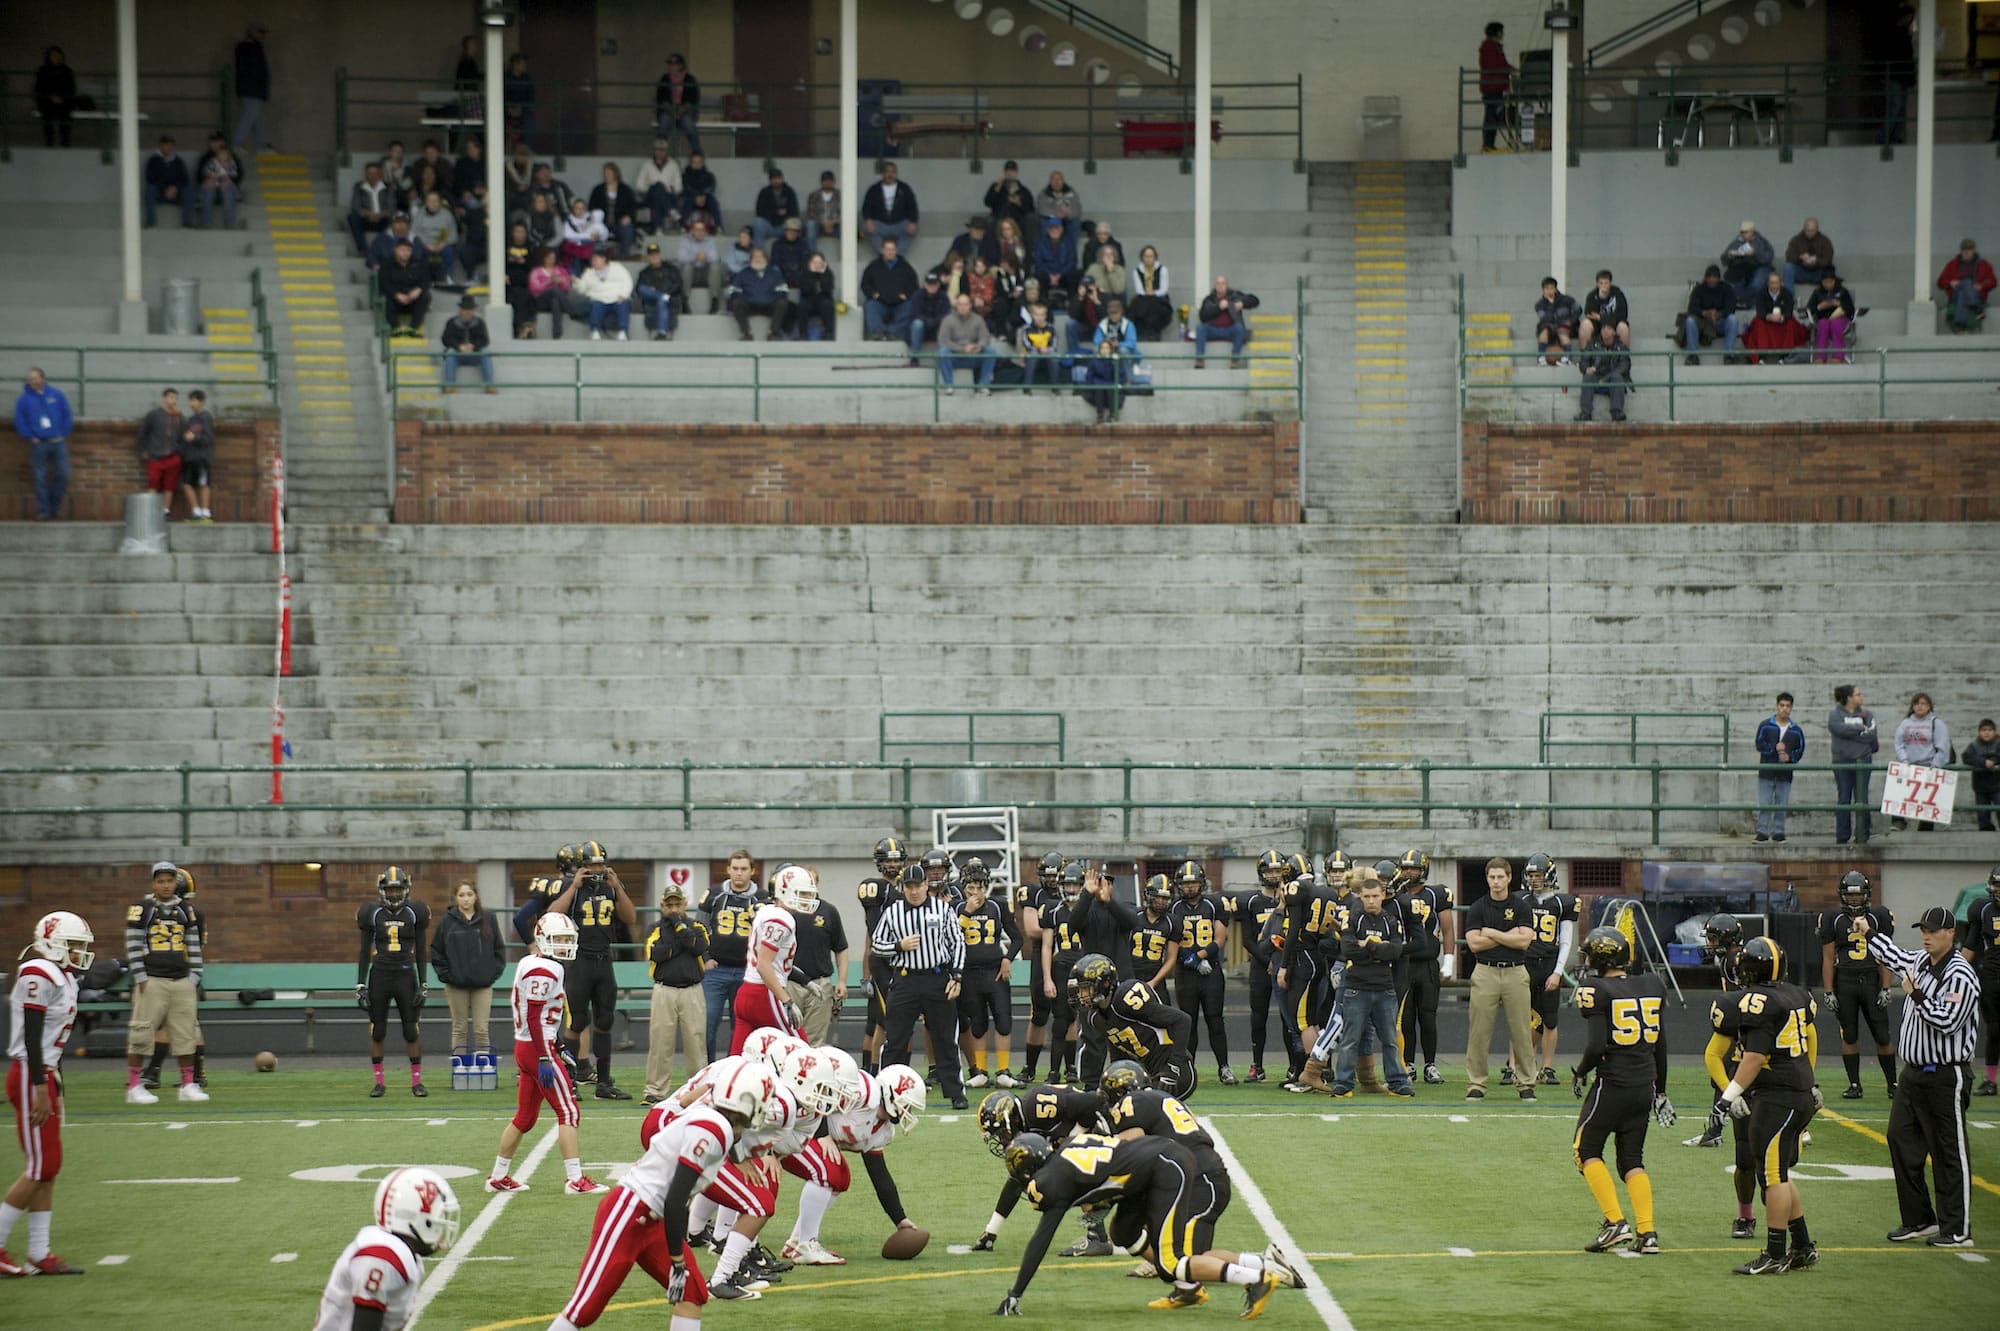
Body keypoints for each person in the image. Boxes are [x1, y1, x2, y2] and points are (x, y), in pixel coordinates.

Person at [993, 1130, 1302, 1319]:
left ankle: (1255, 1278)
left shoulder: (1050, 1181)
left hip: (1165, 1168)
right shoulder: (1069, 1148)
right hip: (1152, 1163)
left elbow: (1041, 1239)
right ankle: (1192, 1289)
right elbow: (1107, 1174)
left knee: (1171, 1262)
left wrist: (1015, 1292)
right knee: (1123, 1232)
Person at [1854, 905, 1981, 1247]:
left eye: (1933, 930)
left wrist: (1916, 995)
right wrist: (1868, 932)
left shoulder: (1961, 975)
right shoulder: (1920, 962)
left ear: (1951, 934)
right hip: (1912, 1075)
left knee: (1948, 1152)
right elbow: (1893, 954)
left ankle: (1957, 1228)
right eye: (1923, 929)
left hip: (1946, 1074)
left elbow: (1947, 1021)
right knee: (1899, 1139)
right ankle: (1919, 1219)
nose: (1926, 935)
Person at [1712, 937, 1822, 1276]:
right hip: (1798, 1092)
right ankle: (1802, 1246)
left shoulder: (1758, 1001)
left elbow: (1755, 1057)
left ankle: (1776, 1253)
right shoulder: (1796, 994)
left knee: (1771, 1176)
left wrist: (1727, 1097)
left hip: (1779, 1097)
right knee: (1780, 1174)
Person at [1568, 927, 1674, 1255]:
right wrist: (1661, 1090)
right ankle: (1648, 1232)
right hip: (1644, 1085)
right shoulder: (1652, 984)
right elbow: (1660, 1043)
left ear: (1601, 959)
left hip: (1613, 1083)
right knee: (1632, 1160)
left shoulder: (1595, 988)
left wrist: (1581, 1072)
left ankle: (1615, 1222)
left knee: (1585, 1150)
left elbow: (1597, 1044)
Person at [486, 911, 607, 1196]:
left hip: (527, 1046)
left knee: (525, 1117)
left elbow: (537, 1016)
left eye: (568, 939)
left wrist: (558, 1045)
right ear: (542, 939)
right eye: (559, 939)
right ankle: (575, 1180)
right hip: (536, 1047)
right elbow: (534, 1017)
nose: (565, 944)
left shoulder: (531, 962)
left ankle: (498, 1176)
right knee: (568, 1111)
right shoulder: (547, 969)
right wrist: (545, 1054)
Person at [1, 910, 93, 1276]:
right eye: (72, 944)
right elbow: (31, 1036)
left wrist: (55, 1080)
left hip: (43, 1074)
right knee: (40, 1166)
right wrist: (40, 1084)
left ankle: (39, 1252)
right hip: (30, 1074)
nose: (78, 952)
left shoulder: (65, 976)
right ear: (52, 942)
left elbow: (53, 1041)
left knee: (49, 1167)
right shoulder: (38, 971)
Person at [541, 841, 638, 1097]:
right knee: (577, 1021)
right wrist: (574, 886)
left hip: (604, 959)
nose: (596, 869)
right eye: (591, 864)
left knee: (605, 1021)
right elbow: (551, 915)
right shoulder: (570, 886)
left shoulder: (611, 885)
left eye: (599, 864)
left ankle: (604, 1083)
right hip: (579, 960)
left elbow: (630, 917)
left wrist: (617, 887)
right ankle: (569, 1081)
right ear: (581, 866)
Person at [312, 1168, 461, 1329]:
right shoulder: (383, 1255)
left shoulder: (401, 1255)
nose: (442, 1225)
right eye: (438, 1218)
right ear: (417, 1218)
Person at [872, 862, 968, 1108]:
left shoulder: (942, 909)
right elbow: (877, 945)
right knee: (896, 1038)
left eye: (918, 886)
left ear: (927, 885)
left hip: (937, 978)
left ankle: (956, 1092)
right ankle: (887, 1089)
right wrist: (898, 946)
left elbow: (957, 942)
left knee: (945, 1038)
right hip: (905, 979)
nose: (914, 891)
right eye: (909, 887)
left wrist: (956, 976)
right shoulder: (892, 912)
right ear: (903, 888)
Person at [122, 862, 205, 1104]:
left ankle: (188, 1084)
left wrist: (194, 976)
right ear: (153, 883)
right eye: (161, 881)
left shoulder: (185, 910)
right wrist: (141, 978)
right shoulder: (142, 909)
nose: (166, 885)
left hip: (181, 980)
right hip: (153, 979)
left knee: (185, 1033)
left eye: (170, 881)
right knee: (141, 1032)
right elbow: (133, 945)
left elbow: (194, 945)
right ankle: (135, 1086)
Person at [1327, 873, 1413, 1098]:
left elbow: (1396, 951)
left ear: (1383, 895)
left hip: (1385, 988)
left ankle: (1397, 1082)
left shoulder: (1391, 920)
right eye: (1366, 896)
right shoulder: (1353, 918)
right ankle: (1343, 1083)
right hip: (1357, 988)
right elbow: (1348, 950)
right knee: (1350, 1039)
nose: (1371, 900)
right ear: (1360, 897)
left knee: (1390, 1039)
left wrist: (1368, 945)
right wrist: (1378, 950)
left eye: (1375, 896)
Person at [1463, 857, 1539, 1102]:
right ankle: (1476, 1083)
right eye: (1491, 877)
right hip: (1485, 971)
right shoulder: (1478, 907)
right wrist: (1510, 935)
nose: (1496, 882)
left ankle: (1526, 1082)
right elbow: (1474, 943)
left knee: (1521, 1030)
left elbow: (1525, 940)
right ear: (1487, 879)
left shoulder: (1521, 906)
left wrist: (1493, 933)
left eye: (1500, 877)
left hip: (1516, 971)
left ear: (1509, 878)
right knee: (1479, 1031)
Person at [1820, 870, 1898, 1104]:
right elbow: (1827, 957)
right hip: (1845, 981)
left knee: (1882, 1035)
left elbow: (1884, 954)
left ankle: (1892, 1083)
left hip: (1871, 979)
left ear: (1866, 895)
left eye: (1858, 895)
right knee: (1849, 1034)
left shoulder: (1878, 916)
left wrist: (1886, 986)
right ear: (1842, 895)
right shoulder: (1833, 917)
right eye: (1850, 895)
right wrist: (1828, 991)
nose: (1854, 899)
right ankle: (1854, 1084)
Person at [358, 867, 431, 1099]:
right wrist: (360, 984)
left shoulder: (414, 912)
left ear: (406, 889)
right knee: (377, 1031)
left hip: (405, 974)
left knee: (411, 1030)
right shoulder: (371, 913)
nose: (393, 894)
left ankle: (416, 1082)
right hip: (380, 973)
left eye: (397, 889)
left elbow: (420, 949)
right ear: (382, 890)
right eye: (389, 890)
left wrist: (423, 983)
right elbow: (363, 950)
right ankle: (379, 1082)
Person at [1163, 862, 1234, 1085]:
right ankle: (1188, 1068)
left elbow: (1220, 939)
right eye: (1186, 883)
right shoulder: (1173, 908)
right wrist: (1189, 959)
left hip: (1210, 971)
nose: (1190, 887)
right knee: (1188, 1021)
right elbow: (1169, 940)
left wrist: (1201, 956)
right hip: (1186, 973)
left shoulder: (1213, 905)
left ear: (1201, 884)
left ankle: (1224, 1067)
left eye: (1193, 883)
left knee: (1215, 1020)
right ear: (1179, 886)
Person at [641, 881, 709, 1104]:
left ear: (685, 905)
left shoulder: (697, 926)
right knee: (660, 1043)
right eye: (669, 905)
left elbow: (699, 947)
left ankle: (697, 1090)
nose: (673, 910)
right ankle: (655, 1090)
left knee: (696, 1042)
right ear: (662, 906)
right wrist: (680, 941)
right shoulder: (655, 929)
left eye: (677, 905)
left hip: (692, 990)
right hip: (664, 990)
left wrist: (679, 930)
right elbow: (655, 953)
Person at [955, 862, 1020, 1088]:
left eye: (980, 888)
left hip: (994, 972)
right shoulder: (957, 908)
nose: (976, 893)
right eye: (972, 888)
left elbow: (1018, 938)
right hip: (970, 973)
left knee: (1003, 1020)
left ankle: (1003, 1071)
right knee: (978, 1023)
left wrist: (1007, 959)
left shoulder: (998, 906)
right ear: (964, 888)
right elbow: (951, 938)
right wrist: (968, 912)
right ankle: (981, 1071)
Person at [430, 882, 504, 1072]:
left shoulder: (489, 918)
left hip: (483, 985)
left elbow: (498, 949)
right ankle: (459, 1069)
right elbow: (437, 951)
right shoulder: (447, 921)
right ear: (456, 898)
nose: (466, 899)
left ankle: (484, 1069)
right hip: (456, 985)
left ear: (476, 896)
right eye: (461, 895)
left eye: (469, 894)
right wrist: (447, 976)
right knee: (459, 1027)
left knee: (481, 1028)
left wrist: (491, 974)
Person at [699, 851, 762, 1061]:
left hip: (747, 972)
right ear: (728, 869)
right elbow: (700, 927)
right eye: (735, 868)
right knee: (707, 1022)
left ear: (752, 871)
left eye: (744, 869)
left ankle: (734, 1070)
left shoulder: (762, 898)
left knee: (742, 1027)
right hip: (716, 970)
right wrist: (706, 957)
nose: (739, 874)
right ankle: (707, 1069)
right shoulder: (713, 895)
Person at [1523, 853, 1578, 1084]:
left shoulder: (1561, 903)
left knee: (1550, 1019)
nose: (1534, 879)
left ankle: (1547, 1067)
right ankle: (1517, 1064)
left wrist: (1557, 972)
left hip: (1548, 964)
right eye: (1531, 875)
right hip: (1526, 964)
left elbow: (1565, 941)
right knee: (1522, 1018)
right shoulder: (1522, 900)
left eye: (1538, 875)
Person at [1392, 850, 1446, 1084]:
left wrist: (1450, 960)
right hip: (1403, 963)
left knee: (1428, 1016)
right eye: (1405, 868)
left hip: (1427, 964)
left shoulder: (1435, 895)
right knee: (1405, 1019)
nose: (1409, 872)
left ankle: (1430, 1064)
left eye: (1414, 868)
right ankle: (1409, 1063)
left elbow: (1448, 928)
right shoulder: (1395, 895)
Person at [13, 368, 72, 522]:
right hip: (39, 444)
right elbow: (20, 420)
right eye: (30, 379)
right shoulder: (24, 400)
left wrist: (64, 431)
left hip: (58, 442)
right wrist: (29, 435)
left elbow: (67, 414)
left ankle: (55, 506)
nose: (32, 381)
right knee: (40, 478)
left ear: (43, 379)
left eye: (35, 378)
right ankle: (44, 511)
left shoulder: (56, 395)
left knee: (64, 474)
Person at [1892, 692, 1952, 831]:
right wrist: (1904, 759)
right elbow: (1898, 743)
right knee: (1898, 794)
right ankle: (1898, 822)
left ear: (1929, 706)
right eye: (1917, 703)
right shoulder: (1905, 723)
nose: (1920, 706)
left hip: (1928, 767)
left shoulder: (1936, 723)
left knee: (1927, 804)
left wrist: (1935, 765)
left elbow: (1942, 746)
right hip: (1910, 767)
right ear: (1912, 706)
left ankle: (1925, 830)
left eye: (1923, 703)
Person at [1963, 869, 2000, 1093]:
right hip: (1990, 976)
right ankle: (1990, 1080)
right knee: (1994, 1030)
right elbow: (1970, 944)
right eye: (1998, 885)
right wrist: (1951, 971)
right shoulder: (1983, 908)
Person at [1827, 683, 1877, 844]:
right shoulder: (1835, 714)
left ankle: (1863, 834)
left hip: (1863, 760)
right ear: (1849, 698)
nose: (1861, 697)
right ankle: (1842, 835)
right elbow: (1837, 729)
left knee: (1861, 798)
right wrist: (1859, 729)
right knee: (1844, 798)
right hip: (1842, 761)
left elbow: (1871, 735)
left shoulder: (1866, 714)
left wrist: (1849, 732)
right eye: (1857, 694)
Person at [1753, 692, 1805, 842]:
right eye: (1782, 705)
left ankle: (1779, 832)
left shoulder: (1796, 730)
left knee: (1782, 803)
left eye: (1788, 706)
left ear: (1791, 708)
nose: (1784, 709)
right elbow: (1759, 743)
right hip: (1767, 771)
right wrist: (1773, 749)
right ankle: (1762, 832)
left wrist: (1790, 758)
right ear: (1777, 706)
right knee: (1764, 802)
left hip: (1785, 773)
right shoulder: (1765, 725)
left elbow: (1800, 750)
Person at [135, 387, 184, 519]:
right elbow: (143, 433)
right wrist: (143, 450)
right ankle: (151, 510)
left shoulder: (179, 416)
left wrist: (180, 452)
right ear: (164, 398)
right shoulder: (154, 414)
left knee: (170, 484)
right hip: (156, 455)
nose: (173, 401)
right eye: (171, 397)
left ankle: (165, 510)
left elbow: (183, 436)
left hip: (173, 456)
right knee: (153, 481)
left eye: (175, 398)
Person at [1739, 270, 1807, 365]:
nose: (1774, 285)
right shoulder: (1761, 293)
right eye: (1771, 283)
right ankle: (1762, 355)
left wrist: (1782, 317)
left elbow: (1789, 312)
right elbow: (1760, 311)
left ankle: (1784, 355)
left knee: (1790, 323)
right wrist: (1768, 316)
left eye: (1776, 283)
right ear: (1768, 283)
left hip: (1781, 320)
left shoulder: (1787, 294)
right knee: (1758, 323)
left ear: (1781, 283)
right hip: (1767, 321)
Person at [1193, 275, 1260, 370]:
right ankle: (1200, 359)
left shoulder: (1235, 295)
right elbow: (1202, 317)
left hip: (1230, 330)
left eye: (1223, 283)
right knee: (1200, 328)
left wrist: (1242, 303)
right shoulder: (1209, 299)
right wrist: (1218, 308)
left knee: (1239, 328)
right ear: (1215, 286)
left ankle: (1234, 360)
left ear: (1227, 285)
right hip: (1213, 329)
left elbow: (1255, 300)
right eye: (1218, 283)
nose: (1220, 286)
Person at [937, 292, 995, 395]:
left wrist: (979, 346)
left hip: (973, 355)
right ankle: (949, 385)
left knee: (990, 351)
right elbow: (943, 341)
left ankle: (983, 385)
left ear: (970, 305)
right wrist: (962, 349)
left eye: (965, 304)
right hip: (955, 356)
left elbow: (985, 337)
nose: (963, 307)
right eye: (960, 304)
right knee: (942, 352)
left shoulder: (978, 319)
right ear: (956, 305)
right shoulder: (948, 320)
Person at [861, 238, 919, 343]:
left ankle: (893, 333)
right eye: (887, 249)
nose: (890, 252)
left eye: (892, 249)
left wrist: (906, 295)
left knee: (910, 306)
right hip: (880, 302)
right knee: (870, 305)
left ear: (896, 250)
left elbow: (914, 286)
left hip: (900, 303)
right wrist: (873, 294)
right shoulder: (873, 266)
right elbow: (865, 284)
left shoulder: (906, 267)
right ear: (882, 250)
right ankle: (878, 332)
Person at [726, 247, 790, 343]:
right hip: (749, 305)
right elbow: (733, 291)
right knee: (736, 302)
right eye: (755, 256)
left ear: (766, 258)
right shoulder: (743, 273)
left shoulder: (775, 273)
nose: (758, 259)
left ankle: (772, 333)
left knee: (782, 303)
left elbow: (783, 291)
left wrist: (769, 298)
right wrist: (747, 298)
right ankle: (747, 333)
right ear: (751, 259)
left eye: (761, 256)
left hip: (769, 305)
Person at [170, 389, 215, 524]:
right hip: (190, 458)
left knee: (203, 483)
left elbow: (208, 439)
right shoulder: (190, 419)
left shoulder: (206, 417)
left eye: (193, 400)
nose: (190, 403)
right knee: (187, 484)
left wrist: (194, 437)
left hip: (202, 458)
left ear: (200, 402)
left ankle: (205, 513)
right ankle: (195, 512)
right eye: (190, 400)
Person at [1936, 238, 1995, 333]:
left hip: (1976, 294)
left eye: (1969, 249)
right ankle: (1978, 309)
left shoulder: (1984, 264)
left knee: (1963, 292)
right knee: (1965, 283)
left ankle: (1961, 326)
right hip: (1955, 294)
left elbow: (1993, 282)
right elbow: (1940, 282)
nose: (1967, 252)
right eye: (1964, 249)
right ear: (1961, 251)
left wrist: (1982, 286)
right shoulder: (1952, 264)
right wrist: (1950, 282)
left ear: (1974, 250)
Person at [1574, 322, 1631, 422]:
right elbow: (1584, 361)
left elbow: (1623, 368)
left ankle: (1616, 412)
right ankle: (1585, 413)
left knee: (1617, 377)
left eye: (1608, 328)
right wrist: (1586, 369)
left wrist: (1605, 379)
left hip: (1611, 380)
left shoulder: (1621, 347)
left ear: (1614, 332)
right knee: (1587, 377)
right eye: (1603, 328)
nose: (1605, 330)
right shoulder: (1592, 344)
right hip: (1596, 379)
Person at [1683, 266, 1738, 366]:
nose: (1712, 279)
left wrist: (1719, 314)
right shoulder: (1699, 289)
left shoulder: (1726, 288)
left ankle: (1729, 355)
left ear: (1719, 278)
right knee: (1690, 321)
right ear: (1705, 278)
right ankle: (1692, 355)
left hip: (1720, 323)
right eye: (1709, 277)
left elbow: (1731, 307)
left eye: (1714, 277)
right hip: (1703, 323)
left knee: (1732, 319)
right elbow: (1692, 308)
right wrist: (1704, 313)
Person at [438, 294, 493, 393]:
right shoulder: (451, 322)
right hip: (458, 355)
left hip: (474, 354)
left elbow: (484, 340)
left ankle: (489, 385)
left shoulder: (480, 322)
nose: (467, 312)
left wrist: (474, 346)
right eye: (465, 309)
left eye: (470, 309)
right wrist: (459, 347)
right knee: (450, 352)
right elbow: (446, 339)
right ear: (460, 310)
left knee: (485, 352)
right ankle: (450, 385)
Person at [862, 163, 920, 255]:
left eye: (893, 172)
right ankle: (884, 255)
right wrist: (868, 220)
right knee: (865, 226)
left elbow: (912, 206)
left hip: (899, 224)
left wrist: (913, 222)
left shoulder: (904, 188)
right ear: (883, 173)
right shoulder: (874, 189)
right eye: (887, 171)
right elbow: (866, 207)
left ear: (896, 174)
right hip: (881, 224)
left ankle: (897, 256)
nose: (890, 174)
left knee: (913, 228)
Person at [575, 250, 633, 342]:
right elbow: (582, 289)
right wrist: (576, 282)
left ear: (603, 259)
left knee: (623, 304)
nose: (593, 262)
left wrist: (623, 295)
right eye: (592, 260)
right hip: (599, 298)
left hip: (617, 297)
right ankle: (595, 331)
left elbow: (627, 281)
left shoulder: (617, 267)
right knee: (595, 305)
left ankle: (623, 331)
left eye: (595, 259)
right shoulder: (588, 273)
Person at [381, 239, 431, 339]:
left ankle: (414, 328)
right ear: (395, 250)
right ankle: (395, 329)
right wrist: (396, 294)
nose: (405, 253)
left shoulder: (418, 263)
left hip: (413, 299)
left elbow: (426, 280)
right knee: (385, 299)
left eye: (408, 250)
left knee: (425, 296)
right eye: (402, 250)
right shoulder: (387, 264)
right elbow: (384, 283)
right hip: (395, 300)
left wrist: (419, 289)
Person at [588, 163, 641, 258]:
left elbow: (632, 207)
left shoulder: (625, 189)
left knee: (627, 230)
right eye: (604, 173)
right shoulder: (597, 190)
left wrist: (628, 217)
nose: (606, 175)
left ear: (615, 174)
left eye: (608, 173)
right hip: (602, 224)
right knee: (593, 231)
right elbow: (591, 207)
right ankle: (597, 258)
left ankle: (624, 257)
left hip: (619, 223)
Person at [233, 24, 271, 155]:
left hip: (253, 90)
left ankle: (261, 147)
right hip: (252, 90)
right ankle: (235, 144)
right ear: (251, 33)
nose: (262, 35)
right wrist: (259, 87)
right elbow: (254, 70)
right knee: (249, 118)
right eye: (260, 32)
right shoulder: (248, 48)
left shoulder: (253, 47)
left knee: (257, 120)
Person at [654, 53, 702, 156]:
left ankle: (697, 153)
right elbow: (661, 99)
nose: (671, 66)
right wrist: (672, 111)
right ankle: (659, 154)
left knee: (688, 122)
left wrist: (680, 111)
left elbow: (692, 100)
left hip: (685, 111)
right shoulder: (664, 79)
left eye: (674, 63)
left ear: (681, 65)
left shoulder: (690, 79)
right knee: (664, 121)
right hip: (669, 110)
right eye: (669, 63)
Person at [635, 242, 684, 341]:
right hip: (651, 301)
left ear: (660, 255)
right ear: (647, 257)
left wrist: (666, 293)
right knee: (643, 289)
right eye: (651, 255)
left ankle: (662, 332)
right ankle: (661, 297)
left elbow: (678, 284)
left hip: (670, 298)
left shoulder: (671, 269)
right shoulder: (644, 273)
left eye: (656, 255)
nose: (654, 257)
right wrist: (659, 294)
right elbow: (639, 290)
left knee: (661, 300)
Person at [1477, 22, 1514, 152]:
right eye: (1501, 32)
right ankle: (1488, 144)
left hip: (1494, 87)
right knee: (1492, 116)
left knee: (1492, 116)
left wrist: (1509, 69)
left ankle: (1489, 144)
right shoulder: (1490, 47)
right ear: (1498, 32)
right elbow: (1495, 66)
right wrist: (1508, 70)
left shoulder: (1491, 47)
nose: (1503, 34)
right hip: (1493, 88)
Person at [142, 135, 193, 229]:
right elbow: (150, 178)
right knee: (149, 189)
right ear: (161, 146)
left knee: (188, 189)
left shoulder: (178, 161)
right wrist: (165, 189)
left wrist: (175, 188)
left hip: (175, 194)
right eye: (167, 145)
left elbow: (184, 179)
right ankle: (151, 223)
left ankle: (187, 223)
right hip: (159, 194)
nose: (169, 147)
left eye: (171, 145)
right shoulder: (153, 160)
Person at [1721, 221, 1774, 308]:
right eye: (1741, 232)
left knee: (1757, 284)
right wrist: (1729, 255)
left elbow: (1769, 257)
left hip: (1760, 267)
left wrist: (1756, 253)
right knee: (1732, 284)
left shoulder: (1761, 241)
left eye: (1746, 232)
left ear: (1752, 232)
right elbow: (1723, 259)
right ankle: (1744, 300)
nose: (1743, 234)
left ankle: (1745, 301)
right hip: (1742, 268)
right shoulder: (1736, 242)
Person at [1808, 270, 1856, 364]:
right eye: (1825, 282)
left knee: (1835, 324)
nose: (1828, 284)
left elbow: (1851, 309)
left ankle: (1838, 356)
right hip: (1823, 318)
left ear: (1835, 281)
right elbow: (1810, 308)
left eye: (1831, 282)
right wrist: (1820, 307)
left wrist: (1839, 304)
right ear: (1822, 282)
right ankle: (1820, 357)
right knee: (1823, 325)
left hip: (1840, 318)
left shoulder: (1842, 291)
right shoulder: (1817, 292)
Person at [413, 191, 459, 288]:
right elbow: (414, 232)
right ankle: (421, 279)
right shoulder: (420, 214)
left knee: (449, 251)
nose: (433, 203)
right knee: (417, 251)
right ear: (426, 203)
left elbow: (454, 234)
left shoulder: (447, 214)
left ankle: (445, 277)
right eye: (430, 201)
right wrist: (427, 244)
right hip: (425, 244)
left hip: (442, 243)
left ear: (440, 202)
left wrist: (443, 243)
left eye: (436, 201)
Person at [635, 142, 683, 235]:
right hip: (650, 196)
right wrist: (652, 188)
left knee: (659, 193)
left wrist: (665, 189)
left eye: (662, 150)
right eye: (658, 150)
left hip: (669, 196)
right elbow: (639, 185)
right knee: (657, 187)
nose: (660, 153)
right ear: (654, 151)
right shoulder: (647, 165)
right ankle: (671, 211)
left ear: (666, 151)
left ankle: (658, 228)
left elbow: (679, 187)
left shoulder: (673, 165)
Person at [1126, 246, 1173, 341]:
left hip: (1159, 297)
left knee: (1154, 306)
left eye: (1151, 256)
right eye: (1146, 256)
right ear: (1142, 257)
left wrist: (1154, 293)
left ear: (1155, 257)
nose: (1148, 259)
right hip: (1143, 297)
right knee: (1137, 306)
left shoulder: (1162, 269)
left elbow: (1164, 288)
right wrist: (1146, 293)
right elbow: (1138, 289)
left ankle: (1154, 333)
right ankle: (1140, 334)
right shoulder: (1137, 271)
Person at [33, 47, 76, 148]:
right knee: (47, 115)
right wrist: (50, 97)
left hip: (64, 101)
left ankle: (65, 142)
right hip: (47, 101)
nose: (56, 58)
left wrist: (62, 97)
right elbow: (39, 88)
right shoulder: (43, 71)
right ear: (49, 57)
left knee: (66, 115)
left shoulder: (67, 71)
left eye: (58, 56)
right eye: (54, 56)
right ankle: (49, 143)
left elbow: (71, 88)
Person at [790, 251, 837, 342]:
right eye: (814, 262)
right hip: (809, 299)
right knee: (802, 307)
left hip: (824, 299)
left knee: (827, 305)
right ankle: (803, 334)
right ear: (810, 263)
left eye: (819, 263)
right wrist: (812, 274)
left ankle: (828, 333)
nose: (817, 265)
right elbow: (805, 290)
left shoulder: (828, 273)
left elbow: (827, 289)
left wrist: (822, 274)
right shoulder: (805, 273)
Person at [1533, 276, 1580, 366]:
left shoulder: (1567, 299)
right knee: (1543, 329)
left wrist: (1571, 321)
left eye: (1551, 288)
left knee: (1562, 330)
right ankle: (1541, 358)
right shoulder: (1539, 305)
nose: (1549, 291)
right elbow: (1545, 318)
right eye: (1546, 289)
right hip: (1550, 327)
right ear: (1543, 290)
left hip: (1567, 326)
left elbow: (1578, 310)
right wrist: (1551, 304)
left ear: (1555, 289)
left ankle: (1567, 358)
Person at [677, 218, 721, 315]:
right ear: (692, 231)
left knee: (715, 267)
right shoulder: (685, 241)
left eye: (702, 230)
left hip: (705, 274)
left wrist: (705, 257)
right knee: (687, 267)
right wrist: (695, 257)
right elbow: (681, 258)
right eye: (697, 230)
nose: (700, 232)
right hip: (691, 275)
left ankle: (715, 300)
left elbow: (715, 258)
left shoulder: (710, 240)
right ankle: (685, 300)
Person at [1578, 269, 1631, 349]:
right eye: (1601, 283)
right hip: (1598, 325)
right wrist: (1601, 297)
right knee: (1585, 324)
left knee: (1623, 327)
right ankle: (1585, 357)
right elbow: (1589, 314)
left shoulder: (1618, 294)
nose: (1604, 286)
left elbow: (1622, 315)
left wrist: (1601, 317)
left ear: (1610, 283)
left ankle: (1623, 357)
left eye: (1606, 283)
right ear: (1597, 284)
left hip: (1614, 324)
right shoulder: (1592, 295)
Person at [528, 246, 573, 338]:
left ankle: (556, 333)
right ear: (544, 258)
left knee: (555, 301)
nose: (551, 260)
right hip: (540, 301)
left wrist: (561, 282)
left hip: (557, 301)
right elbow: (534, 288)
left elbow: (567, 288)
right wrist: (548, 282)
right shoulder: (536, 271)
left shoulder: (561, 270)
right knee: (554, 290)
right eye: (549, 258)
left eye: (553, 258)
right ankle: (572, 311)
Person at [751, 169, 800, 252]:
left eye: (778, 178)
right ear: (770, 180)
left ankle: (793, 253)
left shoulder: (789, 191)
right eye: (773, 179)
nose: (776, 181)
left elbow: (794, 212)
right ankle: (759, 253)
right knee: (758, 222)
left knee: (794, 222)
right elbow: (760, 211)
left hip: (783, 226)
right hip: (769, 225)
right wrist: (776, 212)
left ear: (782, 179)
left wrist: (784, 215)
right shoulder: (764, 192)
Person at [196, 142, 242, 230]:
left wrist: (227, 177)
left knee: (229, 189)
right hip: (213, 185)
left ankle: (229, 224)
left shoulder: (231, 163)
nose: (223, 157)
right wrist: (211, 175)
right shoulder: (212, 162)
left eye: (225, 155)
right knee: (208, 189)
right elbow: (205, 172)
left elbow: (235, 174)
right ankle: (205, 223)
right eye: (221, 155)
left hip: (225, 186)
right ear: (216, 156)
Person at [1036, 170, 1082, 256]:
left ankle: (1071, 253)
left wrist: (1067, 214)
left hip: (1067, 220)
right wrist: (1056, 214)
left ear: (1063, 180)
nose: (1056, 182)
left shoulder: (1071, 192)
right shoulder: (1044, 193)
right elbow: (1041, 209)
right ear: (1050, 181)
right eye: (1054, 179)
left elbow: (1077, 209)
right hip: (1051, 220)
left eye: (1059, 179)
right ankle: (1046, 252)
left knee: (1075, 222)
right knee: (1043, 222)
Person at [1966, 721, 2000, 833]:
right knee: (1983, 813)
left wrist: (1994, 761)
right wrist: (1983, 762)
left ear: (1994, 732)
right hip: (1980, 786)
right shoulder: (1973, 745)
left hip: (1997, 785)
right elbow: (1967, 757)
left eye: (1990, 730)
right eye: (1984, 730)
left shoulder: (1999, 743)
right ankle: (1986, 831)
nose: (1987, 733)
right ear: (1979, 732)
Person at [1782, 217, 1835, 289]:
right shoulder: (1796, 240)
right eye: (1808, 230)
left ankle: (1827, 297)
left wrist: (1816, 260)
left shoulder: (1825, 241)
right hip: (1801, 272)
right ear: (1804, 228)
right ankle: (1789, 297)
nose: (1810, 233)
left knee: (1829, 271)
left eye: (1813, 231)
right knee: (1788, 267)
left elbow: (1828, 259)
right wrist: (1800, 257)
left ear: (1817, 229)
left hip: (1818, 272)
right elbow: (1789, 256)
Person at [985, 160, 1035, 233]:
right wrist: (997, 188)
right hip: (999, 219)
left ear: (1016, 173)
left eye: (1012, 171)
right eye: (1007, 171)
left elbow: (1031, 209)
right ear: (1004, 172)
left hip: (1017, 220)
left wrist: (1019, 203)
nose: (1010, 173)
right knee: (990, 221)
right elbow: (987, 202)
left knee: (1031, 219)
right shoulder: (996, 187)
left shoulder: (1023, 190)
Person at [504, 52, 535, 145]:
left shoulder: (527, 78)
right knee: (498, 123)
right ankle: (500, 151)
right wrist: (508, 108)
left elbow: (531, 97)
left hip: (523, 110)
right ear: (515, 64)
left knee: (529, 123)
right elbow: (500, 95)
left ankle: (524, 151)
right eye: (522, 63)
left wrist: (521, 108)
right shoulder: (504, 77)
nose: (525, 66)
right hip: (506, 110)